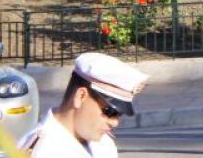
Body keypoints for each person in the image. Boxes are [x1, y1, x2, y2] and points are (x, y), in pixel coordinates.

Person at [20, 52, 149, 157]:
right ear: (80, 96)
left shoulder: (103, 142)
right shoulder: (43, 152)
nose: (115, 122)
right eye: (110, 112)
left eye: (119, 114)